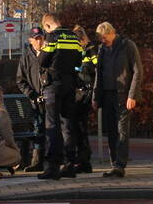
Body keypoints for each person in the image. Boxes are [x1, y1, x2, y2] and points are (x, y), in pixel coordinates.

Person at [93, 22, 142, 178]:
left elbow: (137, 71)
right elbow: (98, 74)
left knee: (122, 131)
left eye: (104, 37)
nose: (102, 41)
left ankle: (120, 165)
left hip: (123, 95)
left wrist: (132, 95)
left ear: (111, 33)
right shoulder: (102, 50)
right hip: (107, 95)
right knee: (111, 131)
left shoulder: (128, 46)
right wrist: (96, 97)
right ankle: (114, 164)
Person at [37, 13, 82, 180]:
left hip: (53, 85)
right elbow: (79, 61)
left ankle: (52, 167)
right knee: (68, 124)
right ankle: (70, 164)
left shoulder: (52, 37)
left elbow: (42, 60)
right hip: (70, 84)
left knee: (52, 125)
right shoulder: (74, 36)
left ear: (48, 25)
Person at [16, 27, 46, 172]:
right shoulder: (26, 57)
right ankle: (37, 161)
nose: (39, 41)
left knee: (54, 129)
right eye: (36, 38)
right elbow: (20, 80)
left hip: (49, 97)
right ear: (30, 40)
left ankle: (54, 159)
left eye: (41, 38)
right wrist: (32, 95)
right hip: (35, 101)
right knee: (38, 128)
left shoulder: (49, 53)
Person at [71, 25, 96, 173]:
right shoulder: (78, 51)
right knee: (77, 128)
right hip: (77, 93)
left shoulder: (90, 50)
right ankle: (82, 159)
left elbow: (95, 68)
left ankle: (84, 160)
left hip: (84, 93)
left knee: (80, 127)